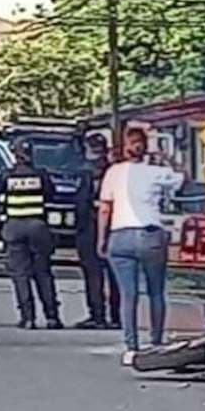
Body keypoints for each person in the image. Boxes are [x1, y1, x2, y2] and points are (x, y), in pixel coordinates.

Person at [97, 127, 185, 366]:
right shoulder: (157, 172)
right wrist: (165, 156)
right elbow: (182, 177)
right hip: (150, 235)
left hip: (120, 236)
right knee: (156, 292)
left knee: (129, 294)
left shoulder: (113, 172)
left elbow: (105, 208)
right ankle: (156, 342)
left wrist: (101, 239)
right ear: (145, 147)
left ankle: (131, 347)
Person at [0, 137, 64, 330]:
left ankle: (28, 317)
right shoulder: (40, 175)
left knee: (20, 275)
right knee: (43, 273)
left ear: (15, 154)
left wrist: (0, 224)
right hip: (37, 227)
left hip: (14, 227)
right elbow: (51, 195)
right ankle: (52, 317)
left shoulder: (7, 176)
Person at [73, 133, 121, 330]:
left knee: (93, 274)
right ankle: (117, 316)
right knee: (115, 274)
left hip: (90, 228)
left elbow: (81, 203)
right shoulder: (115, 172)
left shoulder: (87, 173)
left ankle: (97, 316)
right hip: (115, 227)